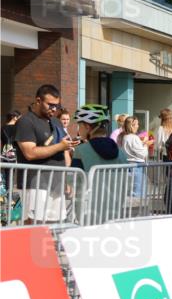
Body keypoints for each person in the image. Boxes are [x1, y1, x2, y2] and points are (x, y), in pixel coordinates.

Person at [13, 85, 78, 222]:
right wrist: (60, 146)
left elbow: (64, 152)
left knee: (55, 226)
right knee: (33, 226)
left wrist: (66, 179)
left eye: (56, 105)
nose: (54, 109)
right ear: (38, 101)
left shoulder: (56, 122)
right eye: (50, 105)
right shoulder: (26, 121)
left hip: (56, 182)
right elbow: (30, 153)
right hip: (35, 183)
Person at [69, 104, 127, 172]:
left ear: (87, 126)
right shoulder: (120, 151)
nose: (78, 130)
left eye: (79, 125)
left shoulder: (80, 150)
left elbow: (73, 179)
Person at [120, 116, 148, 198]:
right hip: (137, 165)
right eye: (136, 124)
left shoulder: (125, 137)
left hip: (129, 164)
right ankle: (138, 209)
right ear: (131, 126)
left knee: (133, 189)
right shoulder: (134, 138)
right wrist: (146, 145)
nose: (138, 126)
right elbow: (143, 154)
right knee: (138, 191)